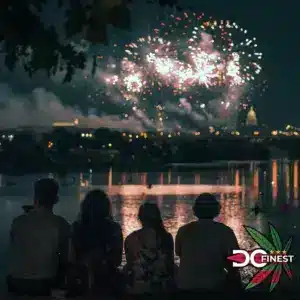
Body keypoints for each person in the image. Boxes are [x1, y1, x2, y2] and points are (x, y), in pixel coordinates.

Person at [7, 178, 70, 296]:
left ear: (35, 198)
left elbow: (14, 248)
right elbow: (67, 258)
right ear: (56, 199)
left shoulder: (18, 221)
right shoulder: (61, 224)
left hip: (15, 282)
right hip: (45, 282)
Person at [175, 193, 242, 292]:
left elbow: (179, 253)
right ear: (216, 210)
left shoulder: (183, 230)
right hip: (214, 286)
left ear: (195, 211)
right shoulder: (225, 231)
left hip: (185, 286)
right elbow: (237, 260)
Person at [70, 189, 123, 296]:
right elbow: (117, 261)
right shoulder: (114, 229)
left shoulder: (76, 228)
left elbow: (71, 259)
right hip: (108, 281)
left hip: (81, 281)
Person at [124, 201, 175, 294]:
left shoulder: (130, 239)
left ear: (140, 218)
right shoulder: (166, 237)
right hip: (162, 289)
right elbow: (170, 265)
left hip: (138, 288)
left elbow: (130, 264)